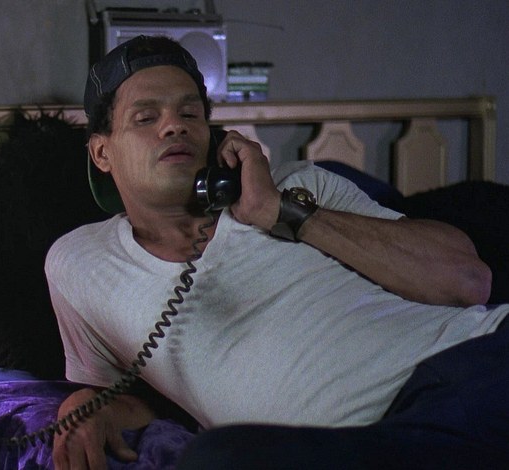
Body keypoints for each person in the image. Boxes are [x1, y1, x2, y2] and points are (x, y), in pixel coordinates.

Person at [44, 35, 509, 469]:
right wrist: (87, 405)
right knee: (216, 459)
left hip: (474, 362)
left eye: (190, 114)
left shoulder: (301, 185)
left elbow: (469, 281)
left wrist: (282, 212)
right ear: (102, 153)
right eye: (146, 118)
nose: (174, 126)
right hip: (370, 442)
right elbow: (143, 389)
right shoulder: (79, 265)